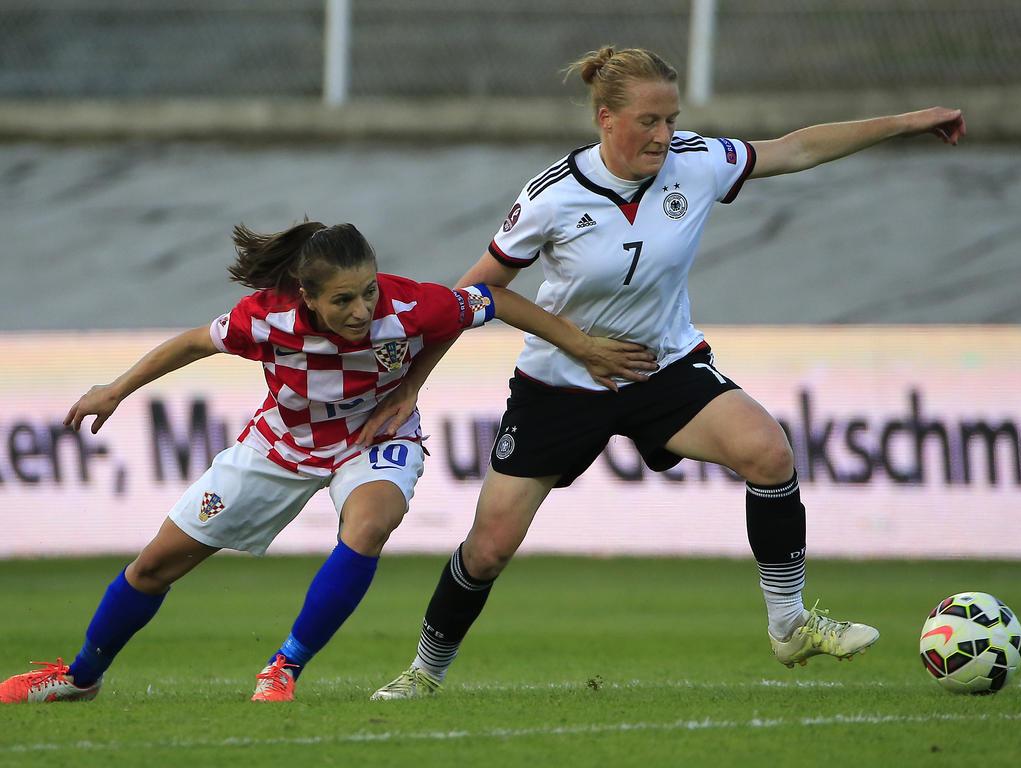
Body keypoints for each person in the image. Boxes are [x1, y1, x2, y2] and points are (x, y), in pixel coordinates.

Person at [367, 45, 967, 700]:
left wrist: (910, 121)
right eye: (648, 121)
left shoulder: (698, 162)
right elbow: (480, 293)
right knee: (488, 550)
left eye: (671, 118)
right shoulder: (553, 195)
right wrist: (420, 381)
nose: (663, 135)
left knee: (768, 452)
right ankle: (424, 672)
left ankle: (790, 624)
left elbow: (797, 148)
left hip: (663, 367)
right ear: (605, 119)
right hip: (563, 381)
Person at [0, 219, 655, 704]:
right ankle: (81, 676)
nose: (363, 310)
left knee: (369, 525)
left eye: (368, 292)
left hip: (373, 439)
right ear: (306, 298)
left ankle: (284, 667)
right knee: (155, 564)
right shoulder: (265, 319)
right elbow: (194, 343)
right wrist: (116, 388)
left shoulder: (408, 305)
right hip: (277, 446)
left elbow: (497, 300)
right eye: (343, 300)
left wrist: (582, 347)